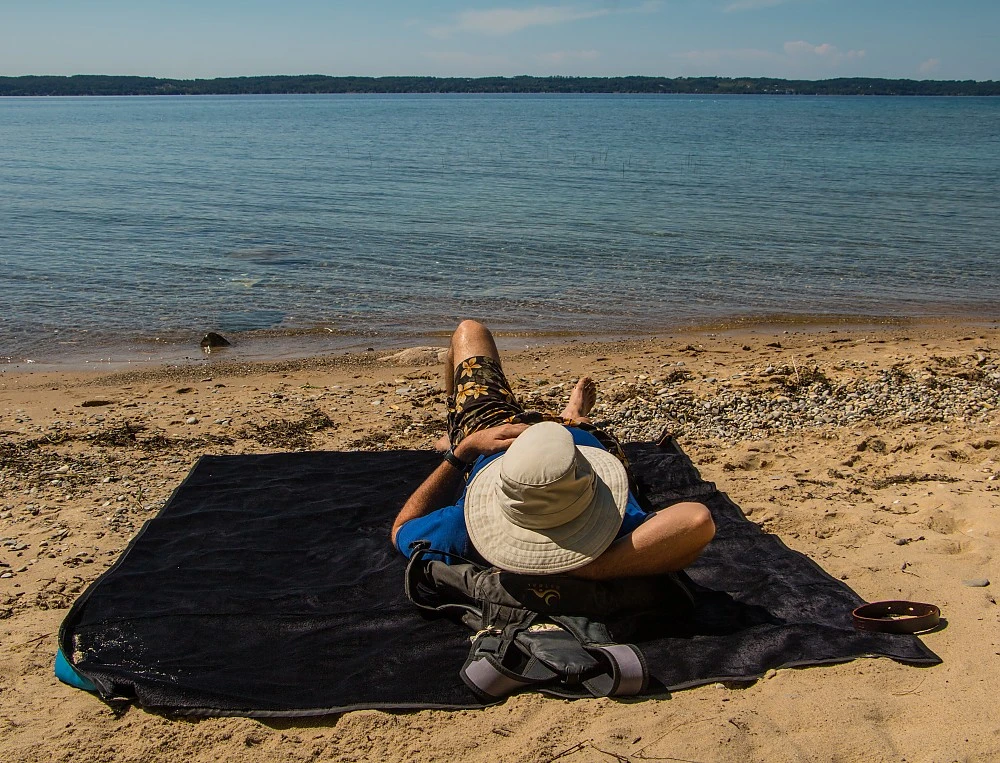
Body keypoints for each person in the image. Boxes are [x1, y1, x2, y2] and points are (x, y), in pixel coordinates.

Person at [391, 320, 715, 579]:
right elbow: (696, 520)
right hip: (586, 443)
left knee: (469, 331)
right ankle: (574, 417)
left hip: (494, 436)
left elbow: (402, 528)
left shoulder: (464, 529)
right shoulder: (615, 525)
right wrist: (590, 568)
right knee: (473, 333)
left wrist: (462, 451)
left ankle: (459, 434)